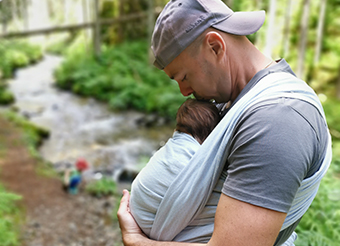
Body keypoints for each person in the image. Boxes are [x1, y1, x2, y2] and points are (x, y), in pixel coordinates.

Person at [118, 0, 332, 246]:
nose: (184, 91)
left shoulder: (277, 119)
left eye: (184, 77)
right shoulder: (235, 101)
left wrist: (137, 241)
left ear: (215, 46)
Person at [130, 98, 221, 242]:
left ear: (176, 129)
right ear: (209, 136)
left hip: (138, 212)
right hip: (152, 216)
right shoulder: (199, 155)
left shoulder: (169, 147)